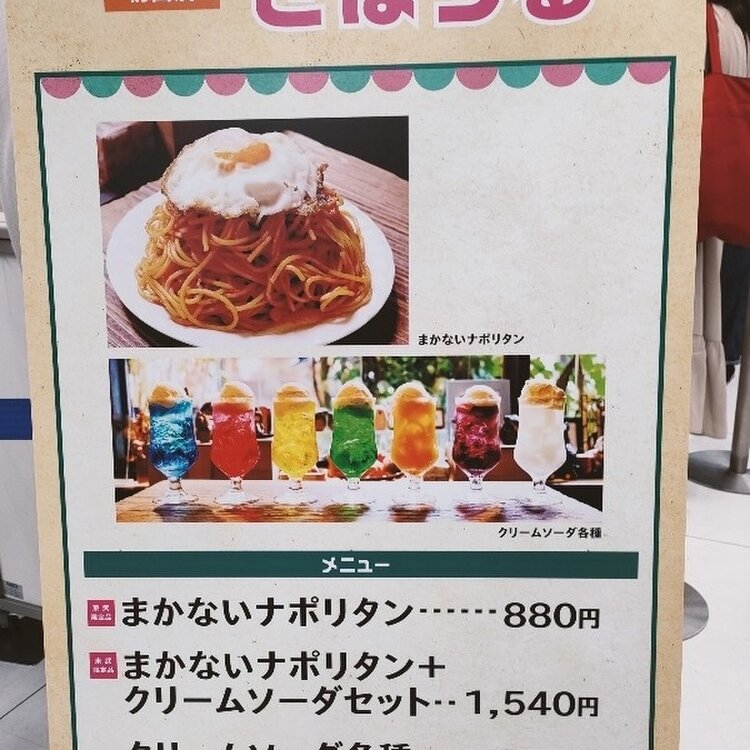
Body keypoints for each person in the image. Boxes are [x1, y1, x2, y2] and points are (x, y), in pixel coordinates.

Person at [691, 0, 750, 436]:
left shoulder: (707, 23)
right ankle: (723, 363)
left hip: (704, 37)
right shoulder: (726, 26)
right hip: (717, 37)